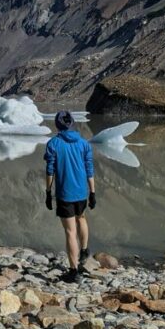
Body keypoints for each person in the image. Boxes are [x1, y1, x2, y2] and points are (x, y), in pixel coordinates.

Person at [43, 110, 95, 283]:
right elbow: (89, 169)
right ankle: (85, 250)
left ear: (58, 125)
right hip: (82, 192)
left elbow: (50, 170)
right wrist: (92, 192)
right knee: (82, 218)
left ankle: (73, 272)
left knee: (70, 232)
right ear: (72, 123)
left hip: (65, 194)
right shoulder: (84, 144)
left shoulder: (53, 144)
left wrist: (48, 192)